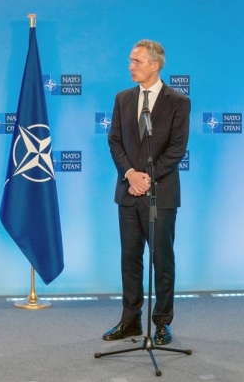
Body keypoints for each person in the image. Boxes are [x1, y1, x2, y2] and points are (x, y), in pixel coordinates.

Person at [105, 40, 190, 345]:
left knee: (162, 260)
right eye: (130, 60)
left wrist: (147, 179)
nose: (131, 66)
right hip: (127, 193)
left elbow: (177, 149)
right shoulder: (122, 98)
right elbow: (114, 140)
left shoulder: (178, 101)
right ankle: (130, 322)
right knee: (130, 258)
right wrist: (130, 175)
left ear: (155, 65)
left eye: (137, 61)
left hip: (161, 195)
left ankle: (162, 323)